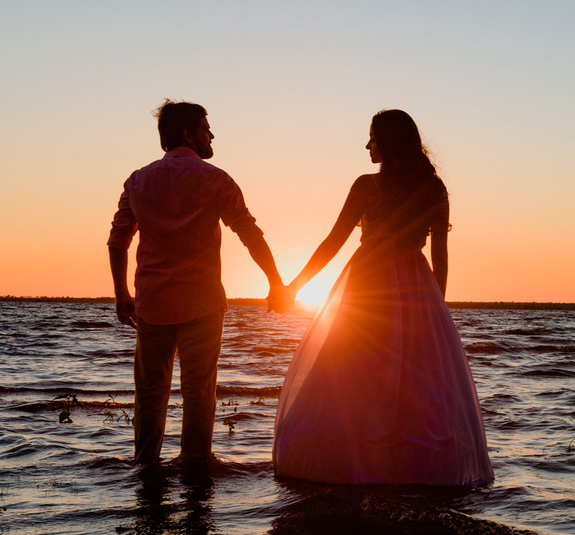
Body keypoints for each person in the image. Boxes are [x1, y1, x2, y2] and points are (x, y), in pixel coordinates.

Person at [272, 110, 493, 486]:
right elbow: (440, 257)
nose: (367, 145)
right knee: (414, 380)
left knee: (352, 369)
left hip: (369, 285)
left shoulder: (367, 185)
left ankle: (345, 463)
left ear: (387, 142)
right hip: (415, 285)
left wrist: (294, 287)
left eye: (372, 138)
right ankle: (409, 468)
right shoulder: (434, 189)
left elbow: (333, 242)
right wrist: (436, 308)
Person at [108, 100, 286, 466]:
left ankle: (146, 469)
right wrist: (275, 282)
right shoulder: (216, 180)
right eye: (206, 129)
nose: (212, 135)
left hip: (153, 303)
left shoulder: (138, 180)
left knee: (150, 393)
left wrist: (121, 293)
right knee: (199, 393)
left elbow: (118, 240)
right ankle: (195, 467)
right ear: (189, 134)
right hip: (202, 305)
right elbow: (249, 234)